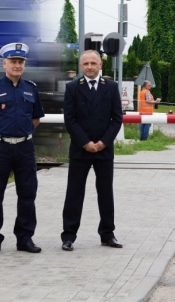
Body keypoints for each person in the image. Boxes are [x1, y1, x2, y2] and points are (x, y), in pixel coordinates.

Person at [0, 42, 45, 255]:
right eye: (13, 61)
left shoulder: (31, 88)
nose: (17, 65)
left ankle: (25, 238)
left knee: (27, 195)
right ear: (4, 63)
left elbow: (35, 119)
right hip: (0, 148)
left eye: (21, 61)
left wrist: (20, 135)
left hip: (24, 148)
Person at [61, 50, 123, 252]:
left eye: (93, 63)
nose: (89, 66)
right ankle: (68, 236)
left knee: (106, 193)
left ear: (101, 65)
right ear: (81, 66)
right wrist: (86, 142)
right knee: (74, 193)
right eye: (85, 63)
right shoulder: (72, 88)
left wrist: (103, 142)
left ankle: (107, 234)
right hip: (80, 149)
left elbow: (117, 119)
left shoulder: (112, 87)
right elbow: (70, 119)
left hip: (104, 150)